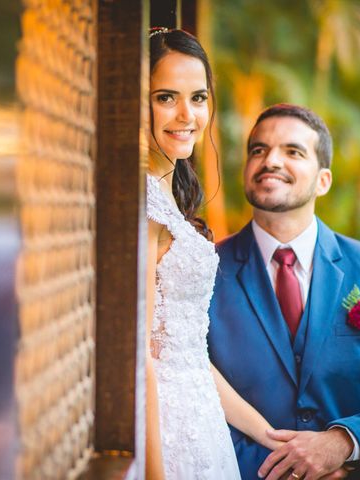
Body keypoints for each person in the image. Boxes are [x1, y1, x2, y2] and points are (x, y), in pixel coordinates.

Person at [208, 103, 360, 479]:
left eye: (293, 151)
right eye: (258, 150)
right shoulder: (203, 273)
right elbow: (189, 392)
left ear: (323, 180)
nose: (271, 160)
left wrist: (342, 445)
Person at [145, 28, 283, 480]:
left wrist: (270, 436)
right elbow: (138, 356)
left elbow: (185, 356)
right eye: (166, 97)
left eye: (198, 97)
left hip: (200, 421)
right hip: (161, 434)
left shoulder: (169, 198)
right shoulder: (142, 206)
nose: (188, 115)